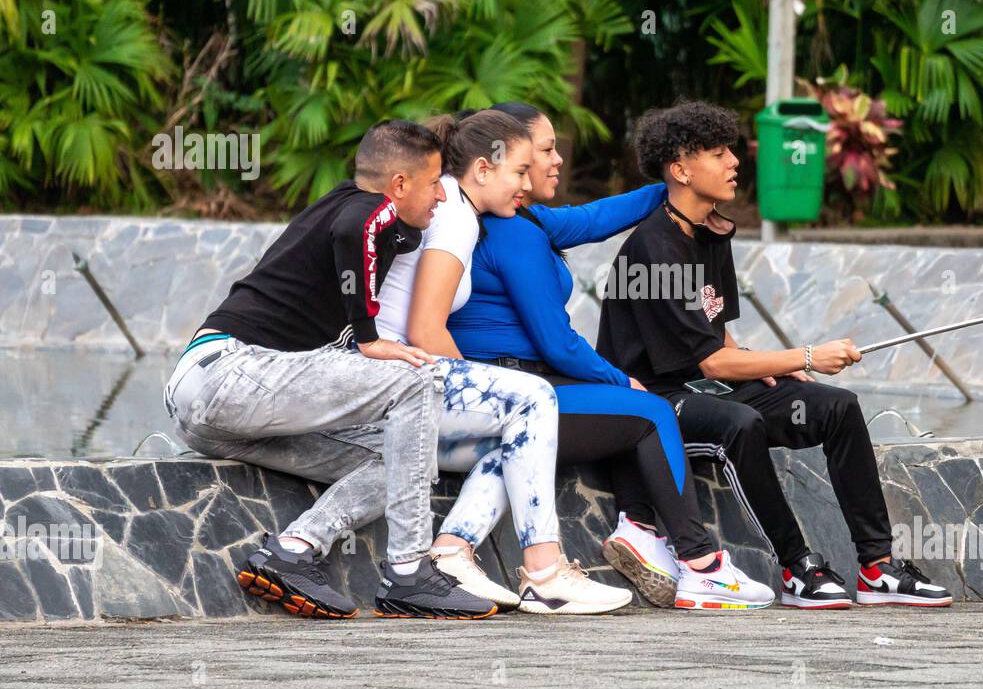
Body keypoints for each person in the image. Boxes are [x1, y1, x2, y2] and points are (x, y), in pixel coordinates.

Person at [595, 101, 953, 609]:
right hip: (655, 401)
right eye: (718, 154)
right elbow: (712, 365)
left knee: (837, 407)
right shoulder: (653, 249)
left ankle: (876, 568)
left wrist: (773, 370)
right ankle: (797, 567)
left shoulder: (711, 231)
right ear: (680, 169)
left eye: (731, 151)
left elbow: (721, 341)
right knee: (741, 423)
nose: (734, 163)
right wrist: (802, 356)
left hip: (705, 381)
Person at [275, 110, 633, 615]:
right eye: (520, 172)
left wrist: (660, 196)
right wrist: (487, 387)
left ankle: (451, 552)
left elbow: (586, 221)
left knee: (508, 432)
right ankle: (546, 572)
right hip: (386, 381)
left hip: (385, 379)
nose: (528, 185)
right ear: (483, 171)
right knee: (531, 398)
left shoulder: (452, 205)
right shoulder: (456, 214)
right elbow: (425, 330)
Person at [165, 119, 498, 620]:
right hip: (230, 371)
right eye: (434, 184)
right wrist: (369, 339)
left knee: (402, 457)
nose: (442, 198)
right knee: (418, 380)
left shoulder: (359, 206)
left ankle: (293, 551)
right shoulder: (365, 210)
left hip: (216, 409)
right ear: (400, 185)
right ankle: (409, 572)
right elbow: (355, 228)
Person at [447, 102, 774, 611]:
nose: (558, 159)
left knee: (628, 408)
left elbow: (594, 217)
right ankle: (700, 563)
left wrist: (682, 189)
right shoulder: (513, 233)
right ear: (507, 157)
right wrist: (620, 379)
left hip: (522, 386)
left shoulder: (528, 220)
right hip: (510, 390)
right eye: (546, 149)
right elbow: (557, 343)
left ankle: (636, 532)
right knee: (649, 412)